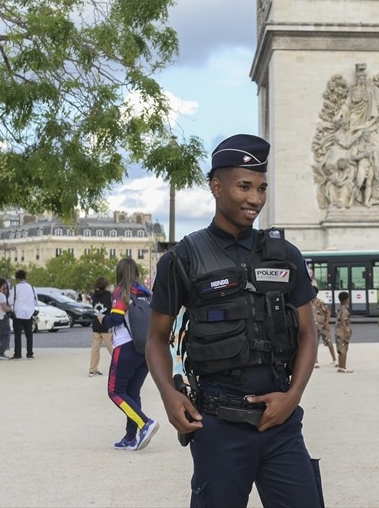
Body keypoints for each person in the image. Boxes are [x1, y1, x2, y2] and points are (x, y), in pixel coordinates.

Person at [146, 134, 322, 508]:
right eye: (244, 186)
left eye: (261, 188)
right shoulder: (182, 260)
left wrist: (293, 398)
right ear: (216, 186)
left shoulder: (285, 255)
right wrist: (168, 392)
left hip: (281, 426)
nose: (255, 199)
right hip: (218, 426)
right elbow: (156, 338)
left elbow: (309, 333)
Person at [104, 258, 157, 451]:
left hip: (125, 346)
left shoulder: (121, 291)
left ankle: (145, 423)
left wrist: (104, 320)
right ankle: (130, 437)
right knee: (133, 393)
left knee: (115, 392)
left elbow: (117, 317)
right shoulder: (145, 293)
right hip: (145, 349)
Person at [10, 269, 37, 360]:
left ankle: (18, 353)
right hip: (29, 314)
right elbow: (35, 300)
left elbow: (10, 301)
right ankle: (30, 353)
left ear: (17, 278)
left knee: (17, 335)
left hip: (18, 314)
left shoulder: (15, 288)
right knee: (29, 335)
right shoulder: (31, 287)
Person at [89, 276, 113, 377]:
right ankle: (120, 367)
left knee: (95, 349)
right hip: (106, 325)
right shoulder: (109, 295)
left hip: (96, 325)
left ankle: (92, 369)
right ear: (106, 286)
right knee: (112, 349)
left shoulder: (94, 295)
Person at [311, 285, 337, 368]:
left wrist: (326, 323)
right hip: (314, 327)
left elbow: (328, 312)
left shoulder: (320, 302)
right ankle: (315, 361)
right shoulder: (308, 304)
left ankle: (334, 359)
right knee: (315, 344)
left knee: (329, 342)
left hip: (322, 325)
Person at [335, 291, 353, 373]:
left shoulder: (339, 308)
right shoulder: (344, 309)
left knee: (340, 349)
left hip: (338, 331)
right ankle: (343, 366)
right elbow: (343, 319)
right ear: (346, 299)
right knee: (344, 349)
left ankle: (340, 366)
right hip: (342, 331)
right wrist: (346, 330)